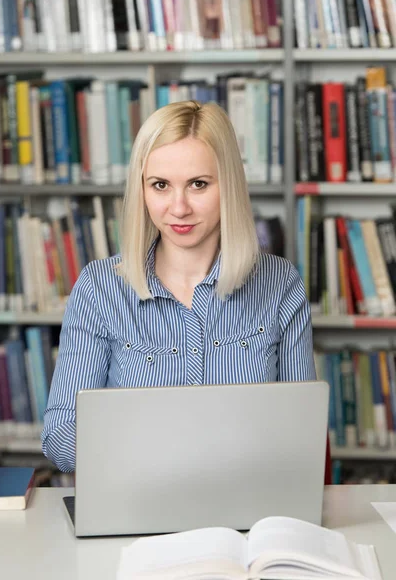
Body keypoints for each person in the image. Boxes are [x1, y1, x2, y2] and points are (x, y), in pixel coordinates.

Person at [41, 100, 316, 474]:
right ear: (142, 190)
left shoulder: (281, 284)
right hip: (135, 507)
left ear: (229, 186)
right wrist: (160, 460)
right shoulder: (99, 289)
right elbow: (60, 433)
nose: (179, 207)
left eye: (198, 184)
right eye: (160, 185)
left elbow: (302, 431)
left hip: (246, 514)